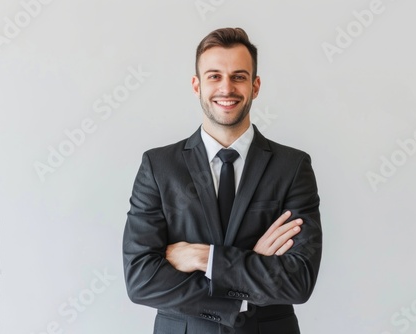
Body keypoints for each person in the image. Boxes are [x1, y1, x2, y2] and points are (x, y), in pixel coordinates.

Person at [123, 27, 322, 334]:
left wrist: (204, 257)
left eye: (238, 76)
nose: (226, 88)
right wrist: (246, 280)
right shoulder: (158, 166)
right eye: (214, 76)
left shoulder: (292, 167)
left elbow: (298, 281)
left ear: (255, 86)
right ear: (196, 85)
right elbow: (141, 280)